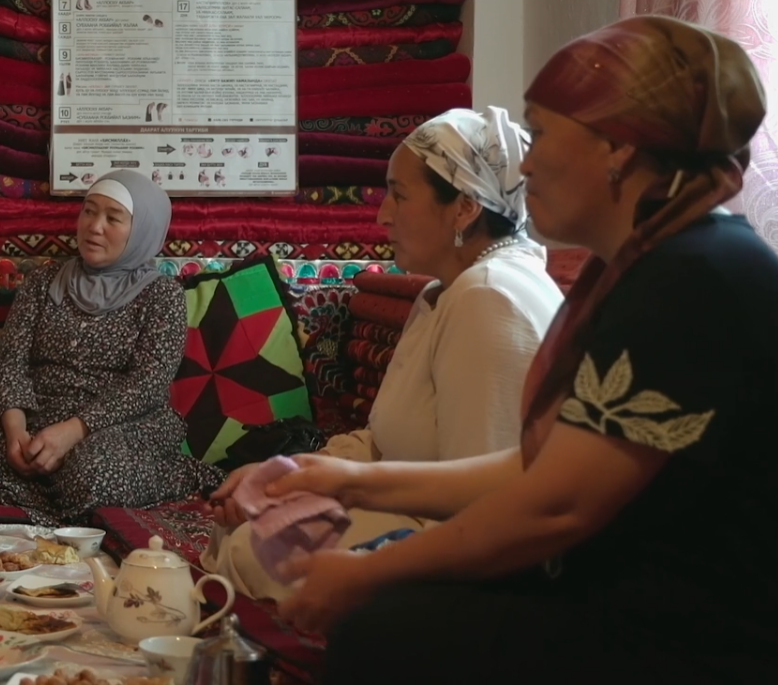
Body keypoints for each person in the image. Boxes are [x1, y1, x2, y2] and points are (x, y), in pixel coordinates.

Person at [264, 17, 775, 683]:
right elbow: (547, 469)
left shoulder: (692, 278)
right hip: (618, 588)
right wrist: (350, 478)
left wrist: (366, 569)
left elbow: (556, 506)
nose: (525, 162)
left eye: (540, 134)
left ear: (617, 147)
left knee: (381, 625)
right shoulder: (660, 261)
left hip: (684, 635)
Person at [201, 107, 563, 600]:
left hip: (457, 545)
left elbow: (486, 510)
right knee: (252, 523)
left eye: (400, 194)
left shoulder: (490, 299)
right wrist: (286, 476)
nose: (381, 214)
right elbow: (385, 439)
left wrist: (330, 501)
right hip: (410, 509)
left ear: (464, 208)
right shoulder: (447, 290)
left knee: (255, 549)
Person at [0, 169, 220, 526]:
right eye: (89, 211)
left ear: (142, 230)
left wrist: (73, 430)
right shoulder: (43, 282)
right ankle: (60, 503)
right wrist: (16, 436)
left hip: (120, 430)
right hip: (39, 425)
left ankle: (171, 475)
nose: (94, 226)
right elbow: (10, 364)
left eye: (112, 218)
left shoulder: (162, 296)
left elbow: (146, 384)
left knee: (94, 475)